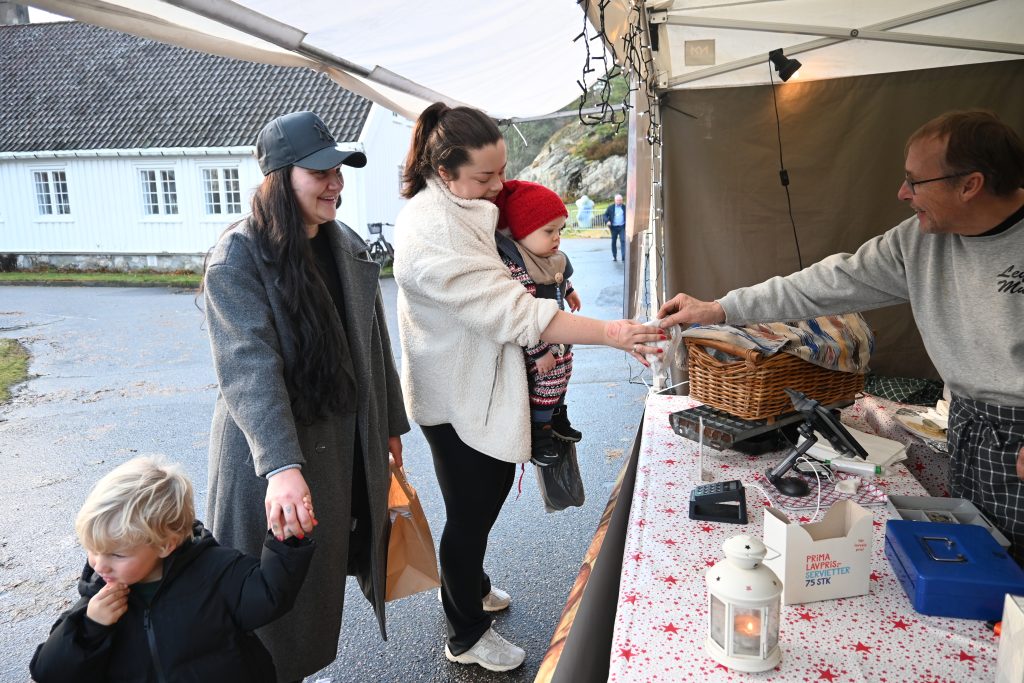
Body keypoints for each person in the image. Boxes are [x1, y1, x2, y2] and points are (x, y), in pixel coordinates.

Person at [658, 109, 1024, 563]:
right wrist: (721, 308)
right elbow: (826, 283)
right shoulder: (918, 241)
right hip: (971, 422)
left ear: (970, 184)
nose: (903, 193)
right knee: (986, 560)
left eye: (915, 181)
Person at [393, 102, 664, 673]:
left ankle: (471, 584)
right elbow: (513, 313)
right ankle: (464, 632)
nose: (500, 187)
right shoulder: (431, 230)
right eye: (485, 177)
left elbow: (533, 246)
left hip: (486, 385)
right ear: (444, 172)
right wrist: (612, 332)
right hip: (455, 395)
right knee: (471, 509)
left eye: (501, 171)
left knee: (483, 501)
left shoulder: (469, 201)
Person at [202, 111, 410, 682]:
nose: (336, 182)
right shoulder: (238, 258)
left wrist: (388, 423)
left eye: (339, 169)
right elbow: (248, 370)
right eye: (320, 172)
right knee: (266, 600)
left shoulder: (343, 243)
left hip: (340, 444)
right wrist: (282, 467)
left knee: (316, 585)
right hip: (270, 458)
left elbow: (373, 340)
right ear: (278, 179)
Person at [30, 457, 314, 683]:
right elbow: (49, 673)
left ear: (166, 545)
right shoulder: (100, 598)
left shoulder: (216, 571)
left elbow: (269, 596)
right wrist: (90, 628)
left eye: (117, 554)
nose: (99, 564)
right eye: (92, 549)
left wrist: (286, 542)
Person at [495, 179, 584, 466]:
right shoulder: (517, 264)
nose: (557, 237)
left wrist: (568, 291)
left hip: (557, 335)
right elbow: (522, 314)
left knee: (565, 370)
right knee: (547, 379)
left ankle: (556, 415)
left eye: (560, 230)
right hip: (536, 340)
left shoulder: (548, 256)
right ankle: (539, 430)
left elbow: (558, 278)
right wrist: (539, 351)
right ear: (522, 230)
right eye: (549, 231)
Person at [603, 193, 626, 261]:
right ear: (615, 200)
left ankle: (623, 256)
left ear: (622, 200)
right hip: (614, 227)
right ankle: (614, 256)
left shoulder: (624, 207)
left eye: (620, 200)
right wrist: (607, 221)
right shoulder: (611, 207)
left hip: (622, 226)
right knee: (614, 241)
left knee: (623, 240)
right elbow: (605, 215)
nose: (619, 201)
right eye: (617, 200)